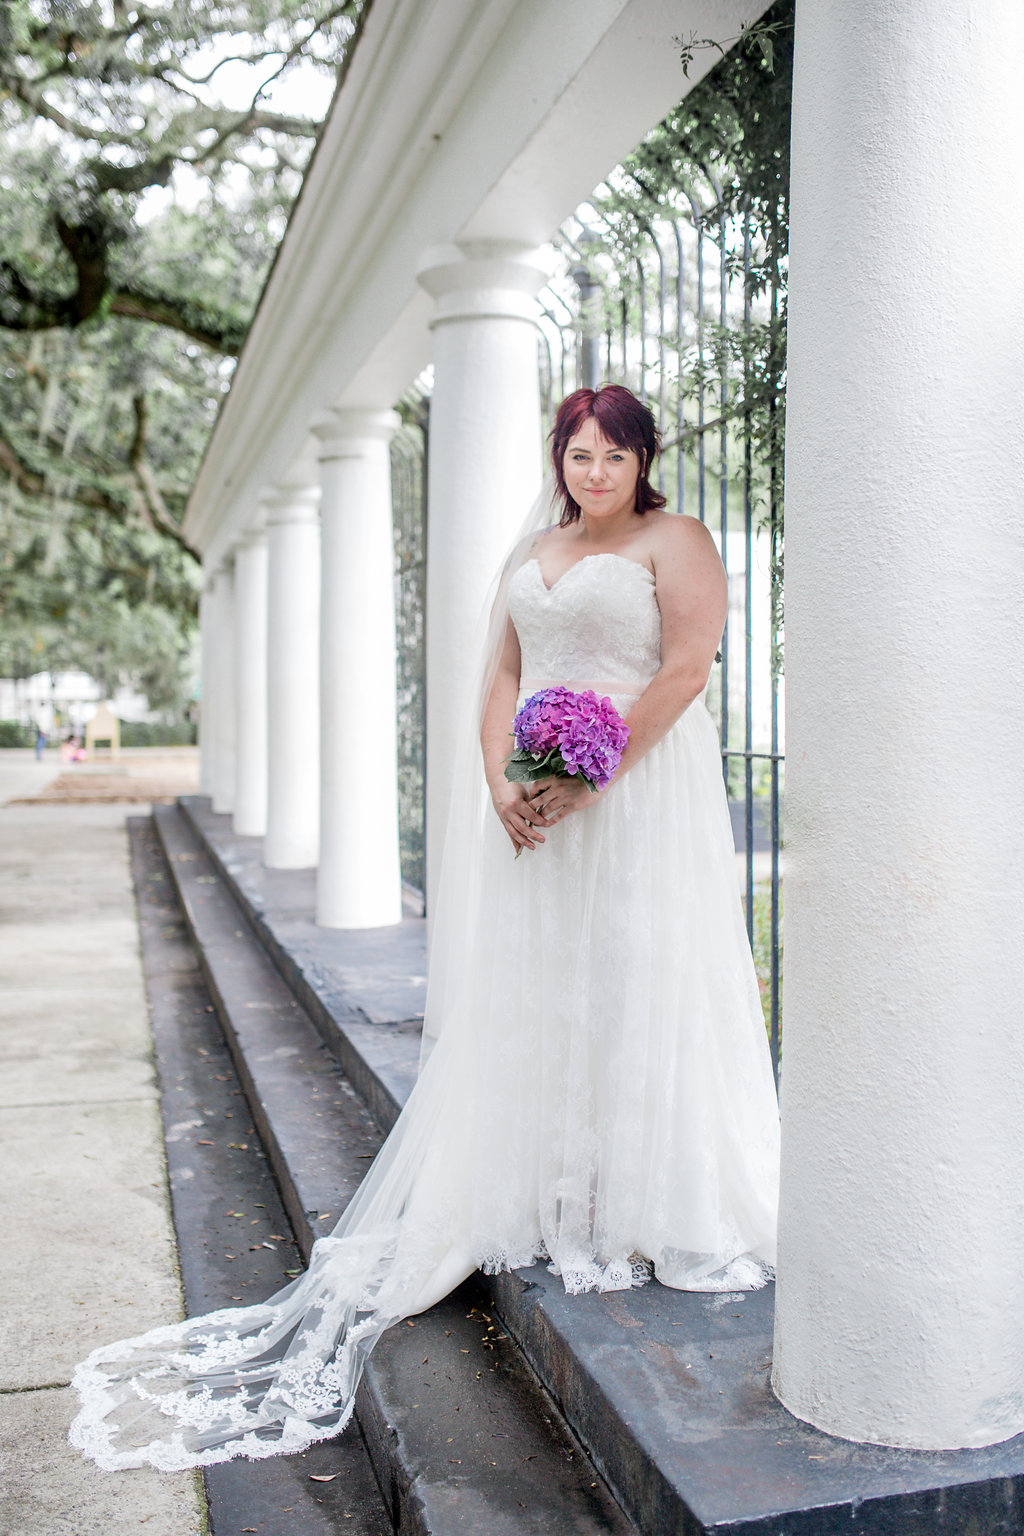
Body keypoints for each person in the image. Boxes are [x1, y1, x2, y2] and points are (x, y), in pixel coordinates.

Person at [70, 384, 779, 1473]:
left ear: (644, 461)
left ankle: (650, 1194)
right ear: (560, 458)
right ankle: (558, 1180)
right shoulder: (534, 550)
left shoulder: (673, 540)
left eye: (615, 455)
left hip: (636, 797)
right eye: (579, 453)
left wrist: (592, 774)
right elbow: (502, 672)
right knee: (549, 985)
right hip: (536, 798)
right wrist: (504, 781)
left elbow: (684, 670)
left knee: (641, 973)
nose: (595, 471)